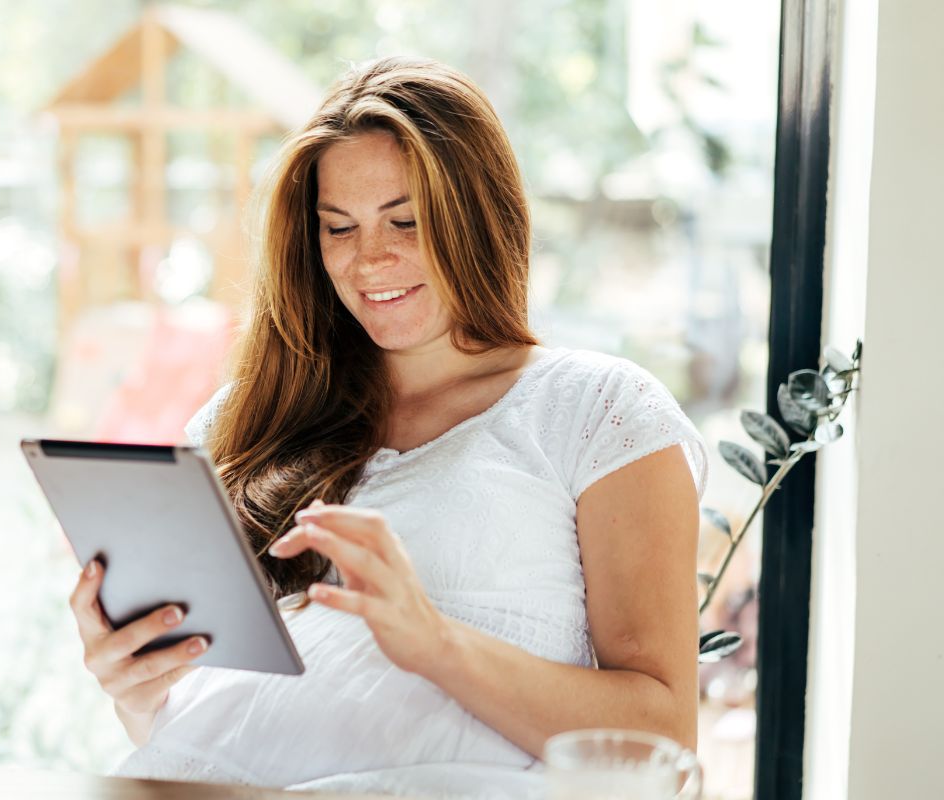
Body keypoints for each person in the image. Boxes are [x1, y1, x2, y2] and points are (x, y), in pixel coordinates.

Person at [68, 56, 708, 793]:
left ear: (480, 216)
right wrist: (136, 687)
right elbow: (209, 723)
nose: (370, 258)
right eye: (339, 227)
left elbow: (663, 736)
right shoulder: (242, 421)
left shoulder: (598, 409)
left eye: (405, 220)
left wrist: (432, 641)